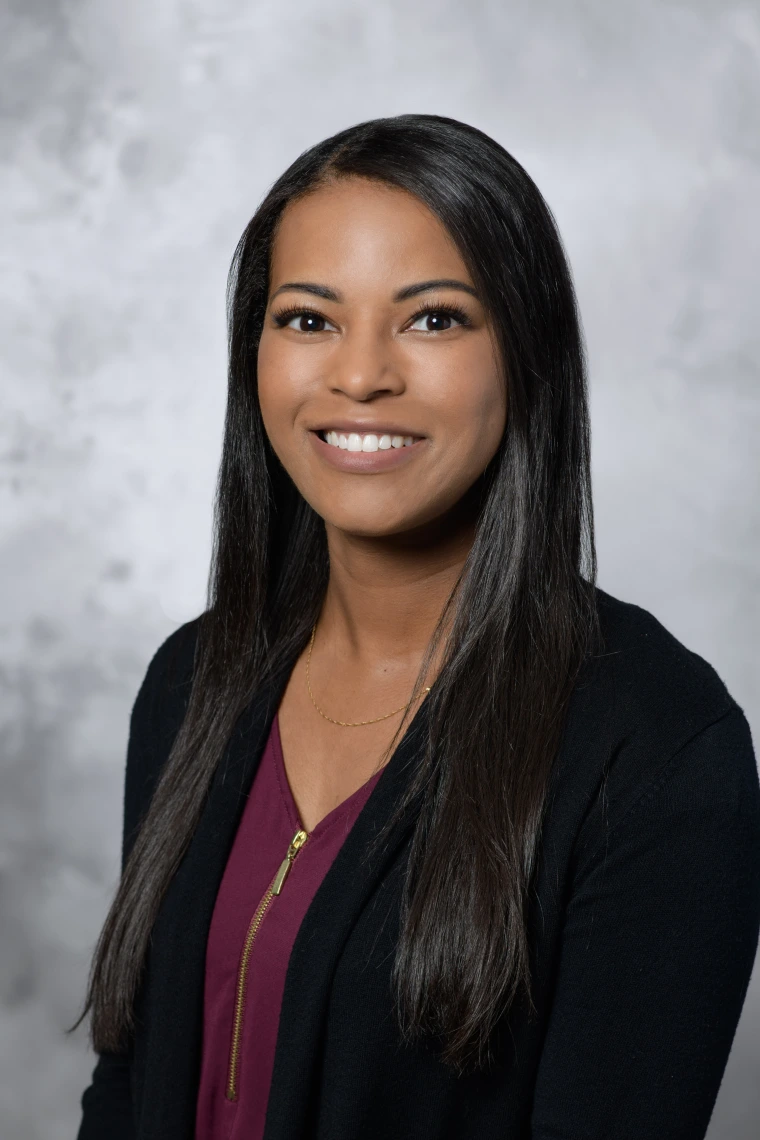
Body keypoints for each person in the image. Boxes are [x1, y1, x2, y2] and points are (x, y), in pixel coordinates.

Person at [76, 114, 760, 1140]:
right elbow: (126, 1090)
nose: (359, 377)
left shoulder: (658, 748)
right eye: (308, 319)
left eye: (432, 320)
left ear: (523, 351)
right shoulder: (192, 682)